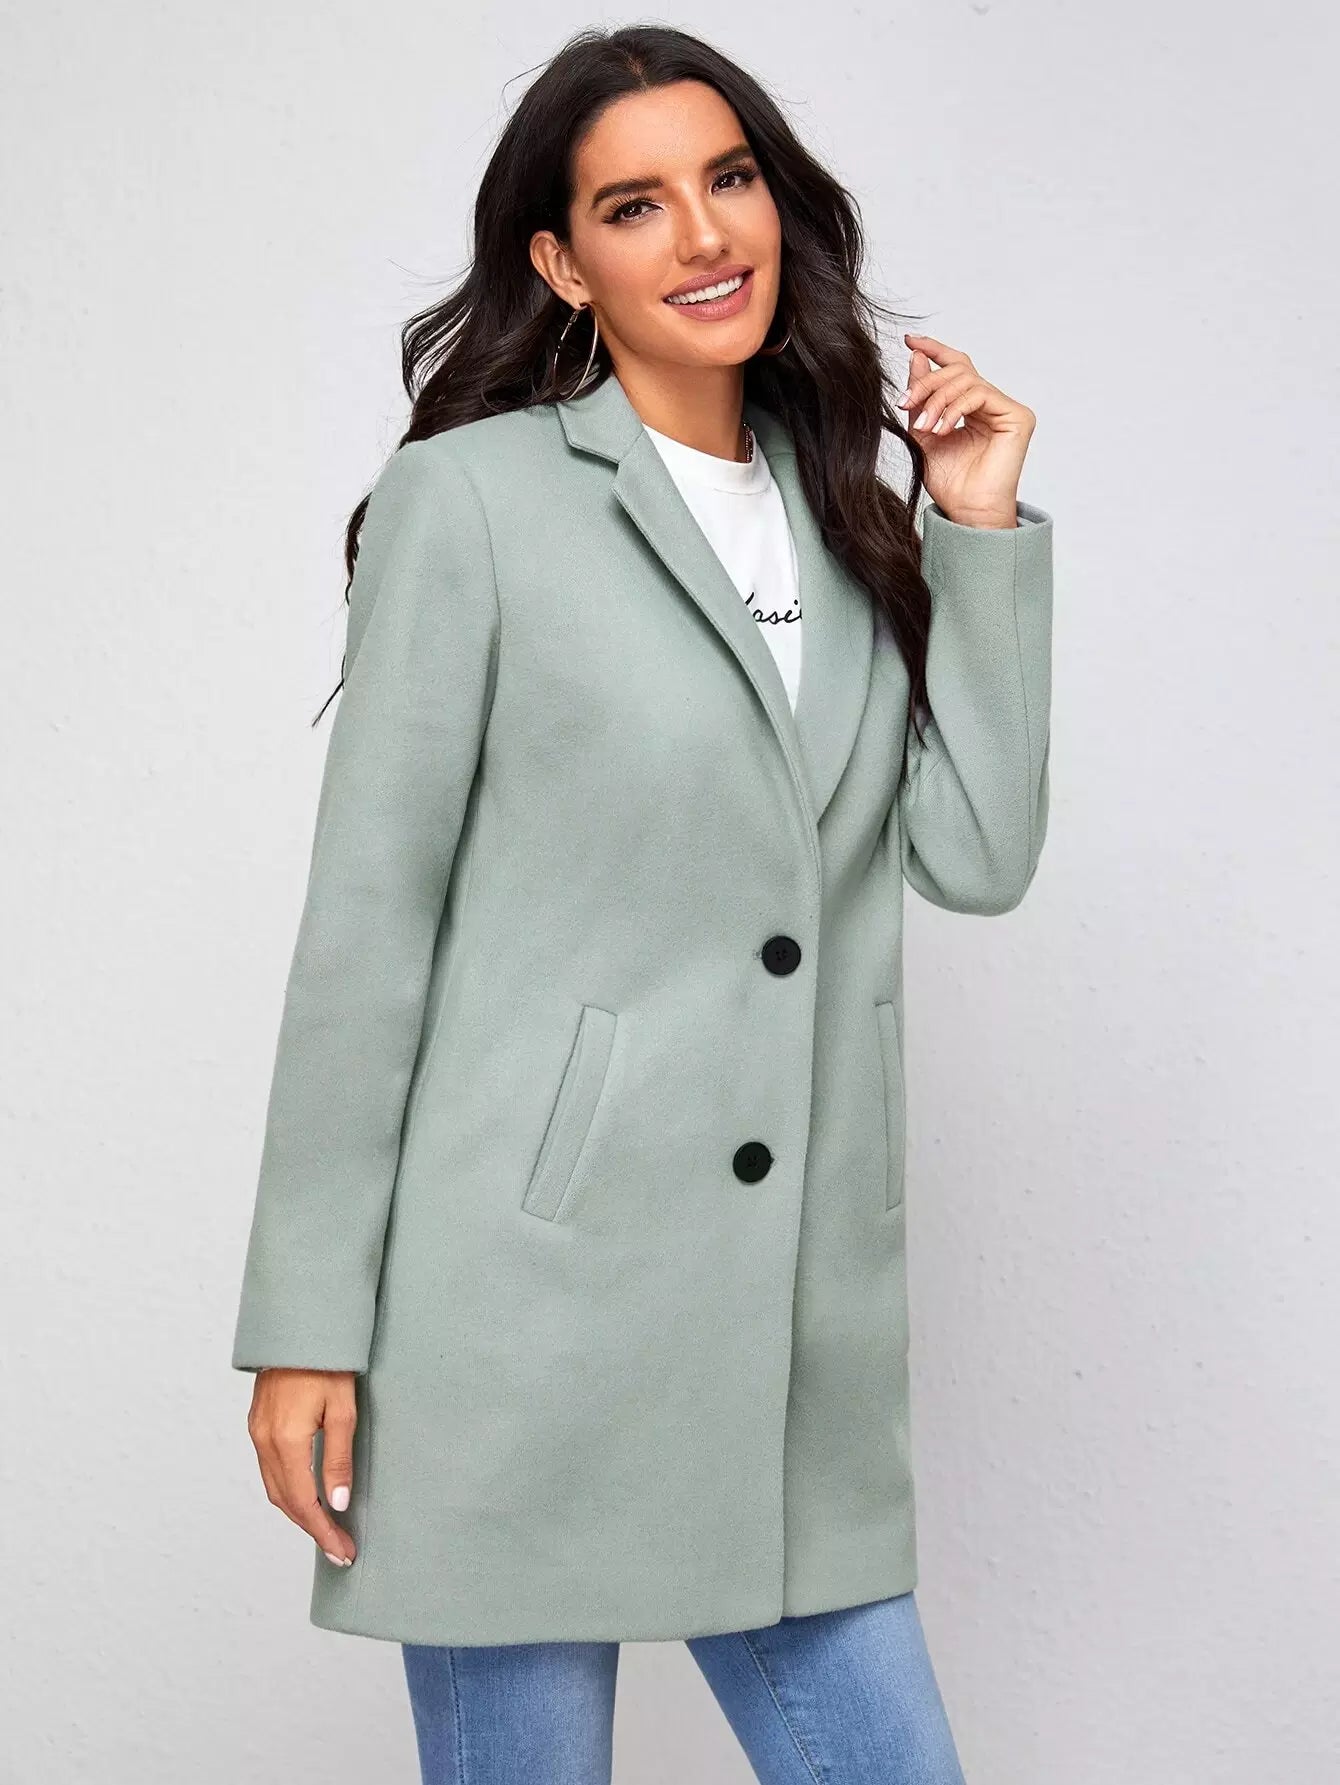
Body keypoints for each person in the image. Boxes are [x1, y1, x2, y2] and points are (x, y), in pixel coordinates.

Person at [230, 23, 1054, 1784]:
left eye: (728, 178)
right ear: (561, 263)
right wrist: (303, 1324)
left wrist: (976, 530)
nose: (702, 234)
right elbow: (368, 931)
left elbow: (976, 852)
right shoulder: (475, 504)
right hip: (518, 1317)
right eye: (634, 204)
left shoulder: (848, 517)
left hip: (789, 1331)